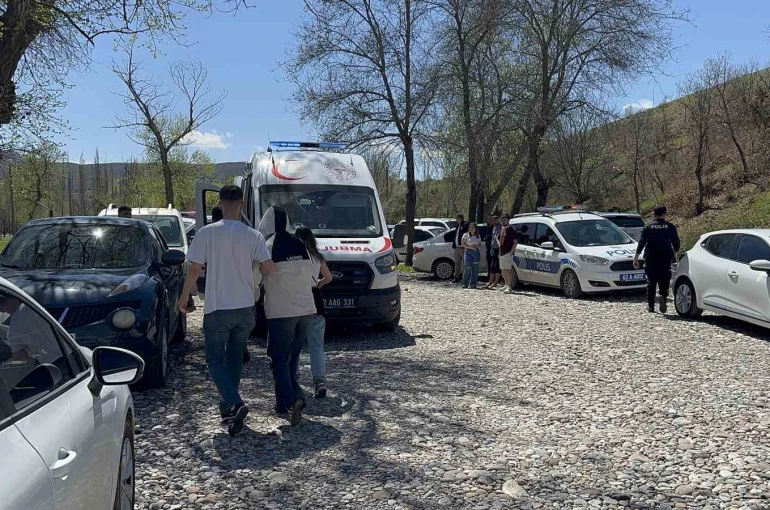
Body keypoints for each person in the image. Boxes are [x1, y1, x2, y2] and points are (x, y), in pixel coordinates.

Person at [177, 185, 275, 436]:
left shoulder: (206, 233)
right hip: (245, 307)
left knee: (213, 359)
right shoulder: (254, 235)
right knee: (234, 359)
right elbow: (269, 268)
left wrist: (184, 295)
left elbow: (194, 268)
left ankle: (234, 401)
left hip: (218, 306)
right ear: (241, 204)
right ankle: (228, 410)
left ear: (220, 204)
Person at [259, 207, 317, 426]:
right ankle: (282, 403)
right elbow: (312, 277)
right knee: (291, 358)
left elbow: (259, 275)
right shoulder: (300, 244)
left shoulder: (268, 245)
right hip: (306, 311)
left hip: (282, 312)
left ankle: (294, 398)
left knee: (278, 359)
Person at [295, 226, 333, 398]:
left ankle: (293, 378)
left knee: (294, 344)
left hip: (297, 301)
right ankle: (320, 381)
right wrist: (320, 283)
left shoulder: (295, 257)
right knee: (316, 346)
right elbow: (329, 277)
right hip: (315, 300)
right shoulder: (318, 257)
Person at [633, 204, 680, 314]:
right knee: (665, 279)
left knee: (651, 282)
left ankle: (651, 306)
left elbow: (642, 242)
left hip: (651, 257)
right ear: (664, 214)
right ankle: (663, 296)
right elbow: (676, 242)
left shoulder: (648, 227)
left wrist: (636, 257)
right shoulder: (670, 226)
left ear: (654, 214)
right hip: (666, 257)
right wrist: (676, 251)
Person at [498, 215, 518, 294]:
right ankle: (506, 284)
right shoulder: (502, 230)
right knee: (503, 271)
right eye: (502, 220)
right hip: (501, 253)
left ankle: (509, 286)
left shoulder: (512, 230)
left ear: (508, 220)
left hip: (508, 253)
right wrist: (499, 245)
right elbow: (498, 238)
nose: (503, 221)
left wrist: (511, 252)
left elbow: (515, 242)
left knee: (508, 270)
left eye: (505, 220)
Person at [459, 222, 482, 288]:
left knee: (475, 268)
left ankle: (473, 283)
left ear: (475, 229)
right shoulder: (465, 235)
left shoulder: (478, 235)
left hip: (476, 253)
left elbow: (480, 244)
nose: (472, 229)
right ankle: (464, 283)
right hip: (468, 252)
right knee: (468, 267)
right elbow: (463, 244)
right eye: (470, 227)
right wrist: (471, 247)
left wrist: (477, 246)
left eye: (473, 228)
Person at [485, 215, 502, 289]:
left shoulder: (501, 228)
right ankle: (490, 282)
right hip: (493, 249)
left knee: (497, 266)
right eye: (492, 221)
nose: (493, 222)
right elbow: (493, 239)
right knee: (492, 266)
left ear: (498, 220)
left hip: (499, 249)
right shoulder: (493, 228)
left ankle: (495, 282)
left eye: (495, 220)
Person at [451, 214, 468, 281]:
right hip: (457, 247)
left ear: (461, 218)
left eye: (458, 218)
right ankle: (456, 277)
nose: (457, 220)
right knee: (457, 263)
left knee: (465, 263)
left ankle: (465, 277)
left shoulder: (465, 225)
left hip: (463, 247)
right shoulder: (457, 225)